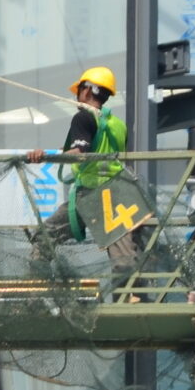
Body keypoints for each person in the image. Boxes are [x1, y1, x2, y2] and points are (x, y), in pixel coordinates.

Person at [26, 65, 149, 281]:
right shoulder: (117, 125)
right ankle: (129, 302)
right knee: (124, 261)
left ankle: (35, 291)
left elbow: (80, 153)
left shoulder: (83, 117)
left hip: (92, 195)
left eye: (79, 89)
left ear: (88, 90)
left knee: (44, 238)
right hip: (118, 193)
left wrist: (45, 157)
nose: (76, 95)